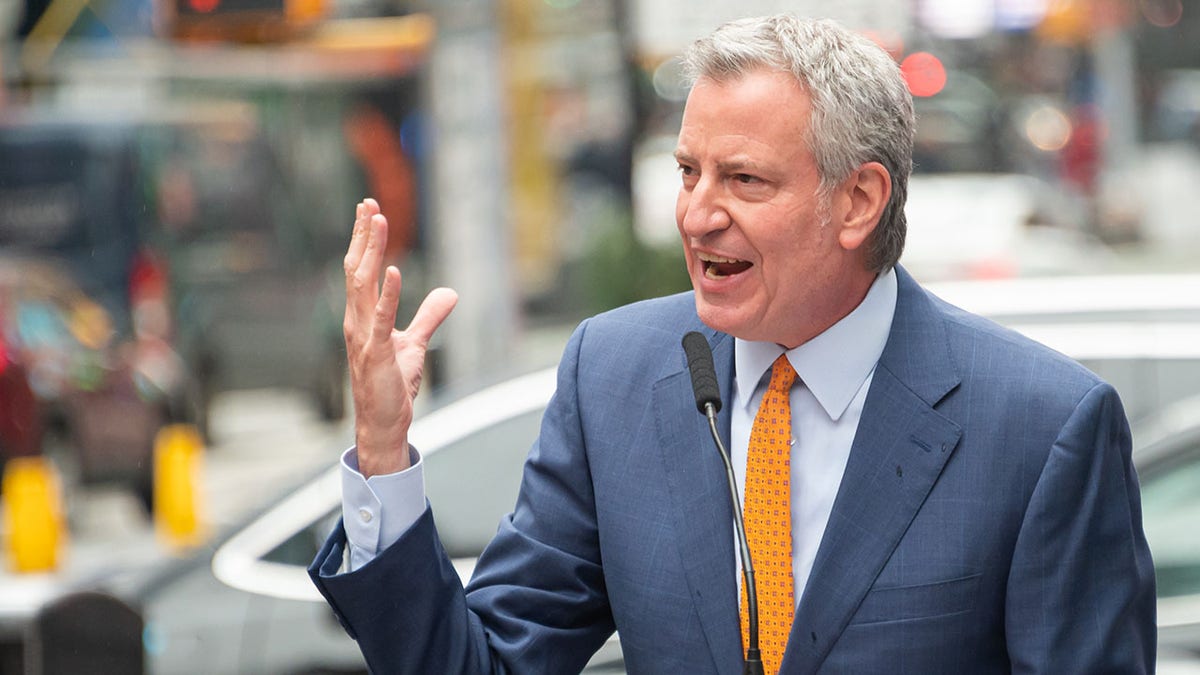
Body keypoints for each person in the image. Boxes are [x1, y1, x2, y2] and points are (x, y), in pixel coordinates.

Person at [309, 14, 1156, 674]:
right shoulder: (616, 374)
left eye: (744, 179)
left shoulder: (1043, 427)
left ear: (859, 201)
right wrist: (384, 456)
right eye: (687, 171)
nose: (696, 213)